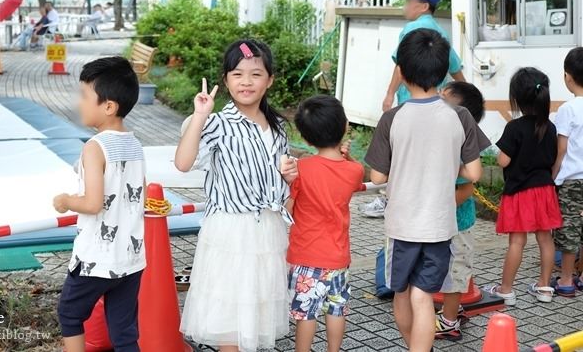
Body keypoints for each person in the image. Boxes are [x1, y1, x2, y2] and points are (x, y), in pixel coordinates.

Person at [365, 28, 489, 352]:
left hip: (402, 227)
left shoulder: (391, 119)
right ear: (443, 73)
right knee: (423, 296)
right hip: (440, 227)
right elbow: (474, 172)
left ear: (402, 72)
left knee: (404, 294)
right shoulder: (459, 115)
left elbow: (377, 176)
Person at [175, 39, 294, 352]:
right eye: (237, 74)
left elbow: (279, 180)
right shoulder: (217, 123)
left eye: (256, 74)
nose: (246, 81)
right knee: (231, 316)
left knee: (254, 312)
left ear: (269, 80)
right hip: (231, 231)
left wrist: (287, 177)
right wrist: (200, 115)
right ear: (226, 80)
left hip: (268, 230)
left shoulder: (278, 126)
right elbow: (183, 163)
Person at [52, 56, 144, 352]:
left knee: (69, 313)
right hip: (130, 258)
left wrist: (66, 200)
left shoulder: (95, 147)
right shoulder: (135, 144)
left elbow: (93, 203)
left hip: (96, 260)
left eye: (84, 96)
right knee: (124, 333)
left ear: (108, 106)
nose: (79, 103)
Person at [283, 95, 365, 352]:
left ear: (306, 138)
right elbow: (355, 176)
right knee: (337, 309)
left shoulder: (302, 169)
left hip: (306, 256)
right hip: (338, 257)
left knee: (306, 314)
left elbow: (288, 208)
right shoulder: (354, 171)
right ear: (344, 127)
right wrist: (348, 157)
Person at [484, 68, 563, 304]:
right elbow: (552, 160)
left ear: (517, 98)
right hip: (544, 191)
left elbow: (502, 160)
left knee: (517, 242)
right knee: (546, 239)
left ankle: (506, 290)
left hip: (520, 193)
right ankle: (545, 287)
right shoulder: (550, 127)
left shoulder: (515, 127)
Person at [435, 81, 486, 341]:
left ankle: (449, 322)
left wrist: (437, 208)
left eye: (444, 99)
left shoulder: (461, 146)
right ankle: (452, 311)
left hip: (457, 223)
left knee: (454, 274)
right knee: (449, 270)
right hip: (445, 223)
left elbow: (465, 190)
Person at [382, 0, 465, 112]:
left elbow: (401, 64)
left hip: (410, 101)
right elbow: (454, 67)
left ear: (424, 6)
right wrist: (467, 91)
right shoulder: (441, 33)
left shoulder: (411, 28)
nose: (406, 6)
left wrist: (390, 94)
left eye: (409, 2)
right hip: (436, 102)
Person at [550, 48, 583, 296]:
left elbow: (561, 148)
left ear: (567, 77)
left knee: (569, 229)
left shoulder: (567, 109)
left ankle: (565, 281)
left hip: (571, 181)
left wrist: (553, 176)